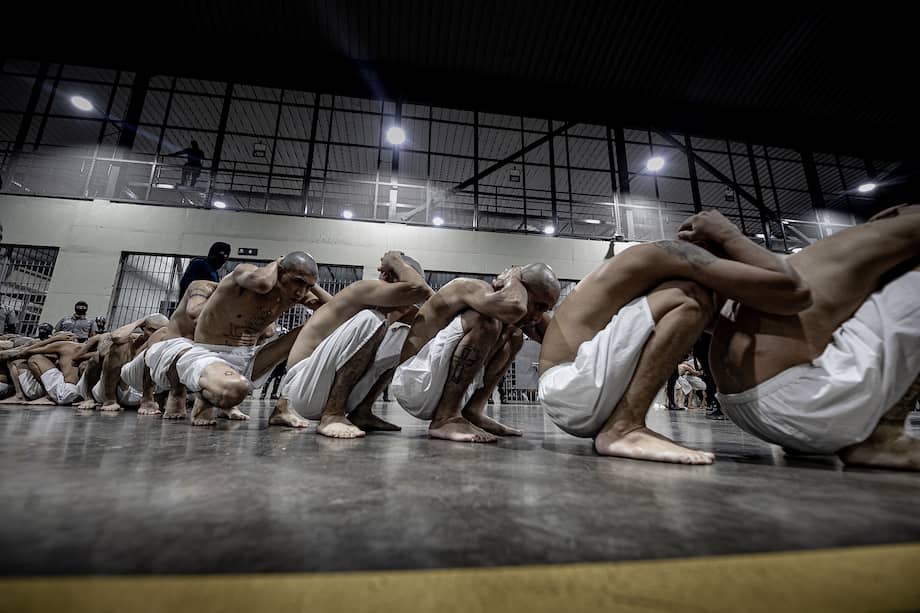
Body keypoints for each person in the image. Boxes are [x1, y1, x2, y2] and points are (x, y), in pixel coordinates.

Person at [538, 210, 811, 464]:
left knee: (706, 307)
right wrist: (730, 234)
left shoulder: (655, 284)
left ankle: (622, 426)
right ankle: (623, 428)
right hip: (568, 386)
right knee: (689, 297)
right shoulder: (667, 256)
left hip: (579, 395)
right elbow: (795, 291)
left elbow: (739, 328)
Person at [709, 204, 920, 470]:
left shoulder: (825, 255)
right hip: (805, 405)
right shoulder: (892, 237)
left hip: (738, 403)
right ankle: (884, 436)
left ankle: (850, 429)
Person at [156, 252, 331, 426]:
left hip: (247, 357)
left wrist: (311, 284)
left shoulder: (294, 294)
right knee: (235, 389)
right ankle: (199, 397)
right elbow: (261, 283)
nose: (301, 291)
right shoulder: (242, 274)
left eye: (307, 287)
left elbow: (334, 310)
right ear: (280, 270)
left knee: (322, 324)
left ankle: (283, 406)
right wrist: (278, 262)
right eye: (297, 281)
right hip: (208, 354)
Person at [391, 263, 560, 443]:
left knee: (515, 334)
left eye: (545, 309)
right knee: (487, 321)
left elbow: (554, 339)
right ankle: (445, 418)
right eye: (539, 306)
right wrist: (514, 277)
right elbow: (514, 308)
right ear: (522, 289)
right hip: (414, 383)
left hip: (436, 387)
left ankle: (472, 411)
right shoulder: (472, 287)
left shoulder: (515, 307)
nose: (537, 316)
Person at [274, 251, 432, 437]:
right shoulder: (362, 291)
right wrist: (394, 259)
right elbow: (419, 289)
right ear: (388, 278)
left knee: (404, 335)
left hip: (339, 392)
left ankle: (362, 412)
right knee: (371, 319)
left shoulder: (398, 310)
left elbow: (439, 308)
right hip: (304, 388)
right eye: (405, 283)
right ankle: (332, 415)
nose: (410, 301)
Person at [74, 314, 168, 411]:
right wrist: (139, 321)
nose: (155, 335)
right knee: (112, 350)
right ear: (143, 328)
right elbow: (116, 337)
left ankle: (156, 400)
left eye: (159, 331)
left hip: (146, 392)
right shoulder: (130, 338)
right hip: (114, 388)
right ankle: (104, 399)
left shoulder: (165, 342)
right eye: (151, 330)